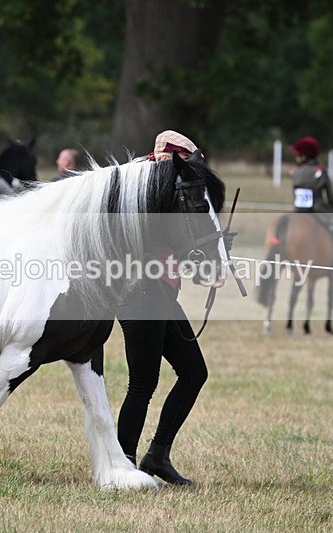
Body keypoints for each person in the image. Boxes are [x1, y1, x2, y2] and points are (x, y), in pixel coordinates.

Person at [115, 130, 208, 486]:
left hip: (163, 293)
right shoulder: (144, 191)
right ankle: (123, 462)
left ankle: (157, 455)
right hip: (139, 292)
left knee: (193, 372)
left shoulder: (169, 193)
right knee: (143, 383)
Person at [288, 136, 333, 268]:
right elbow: (330, 196)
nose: (296, 157)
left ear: (304, 156)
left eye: (298, 154)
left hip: (298, 210)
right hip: (319, 211)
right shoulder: (321, 171)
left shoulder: (296, 173)